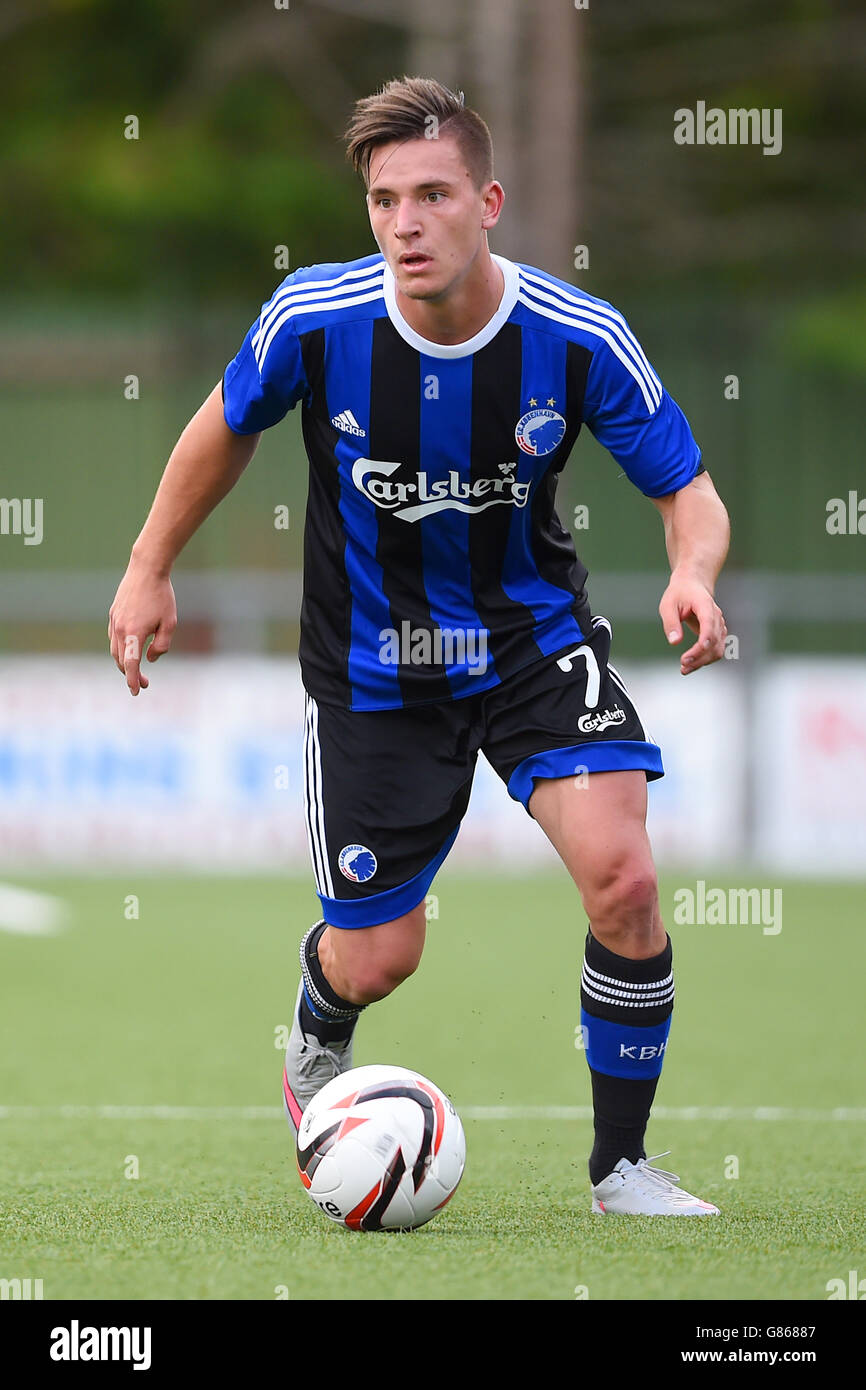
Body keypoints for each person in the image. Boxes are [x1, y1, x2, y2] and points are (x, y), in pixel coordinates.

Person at [108, 76, 730, 1216]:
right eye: (383, 199)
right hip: (372, 670)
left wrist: (690, 572)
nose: (403, 222)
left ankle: (620, 1167)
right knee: (381, 957)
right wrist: (150, 565)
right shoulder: (313, 318)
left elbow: (685, 488)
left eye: (431, 194)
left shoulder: (574, 335)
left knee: (624, 878)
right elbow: (219, 429)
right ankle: (317, 1020)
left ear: (486, 201)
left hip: (529, 642)